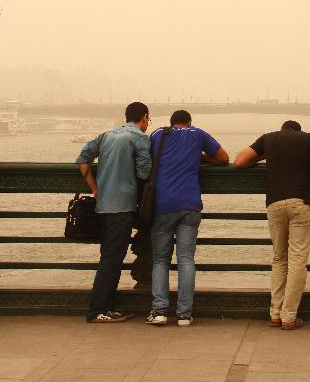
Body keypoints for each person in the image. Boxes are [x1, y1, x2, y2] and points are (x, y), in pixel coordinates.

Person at [234, 120, 310, 330]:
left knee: (279, 258)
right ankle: (289, 316)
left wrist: (264, 156)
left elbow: (240, 161)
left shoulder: (268, 138)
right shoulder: (308, 139)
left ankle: (275, 314)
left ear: (282, 129)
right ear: (298, 130)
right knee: (297, 259)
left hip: (275, 203)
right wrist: (308, 163)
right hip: (299, 202)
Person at [145, 110, 228, 327]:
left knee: (161, 260)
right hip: (190, 204)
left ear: (171, 123)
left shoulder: (156, 135)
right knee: (186, 259)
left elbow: (146, 161)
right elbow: (223, 158)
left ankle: (160, 311)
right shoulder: (197, 134)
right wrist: (198, 156)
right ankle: (184, 314)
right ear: (189, 122)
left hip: (162, 204)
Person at [77, 101, 152, 323]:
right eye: (148, 120)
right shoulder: (139, 137)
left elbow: (82, 161)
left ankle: (104, 306)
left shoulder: (106, 135)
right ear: (144, 118)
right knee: (112, 259)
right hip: (123, 206)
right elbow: (145, 172)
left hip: (103, 205)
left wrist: (95, 189)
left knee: (108, 256)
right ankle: (98, 309)